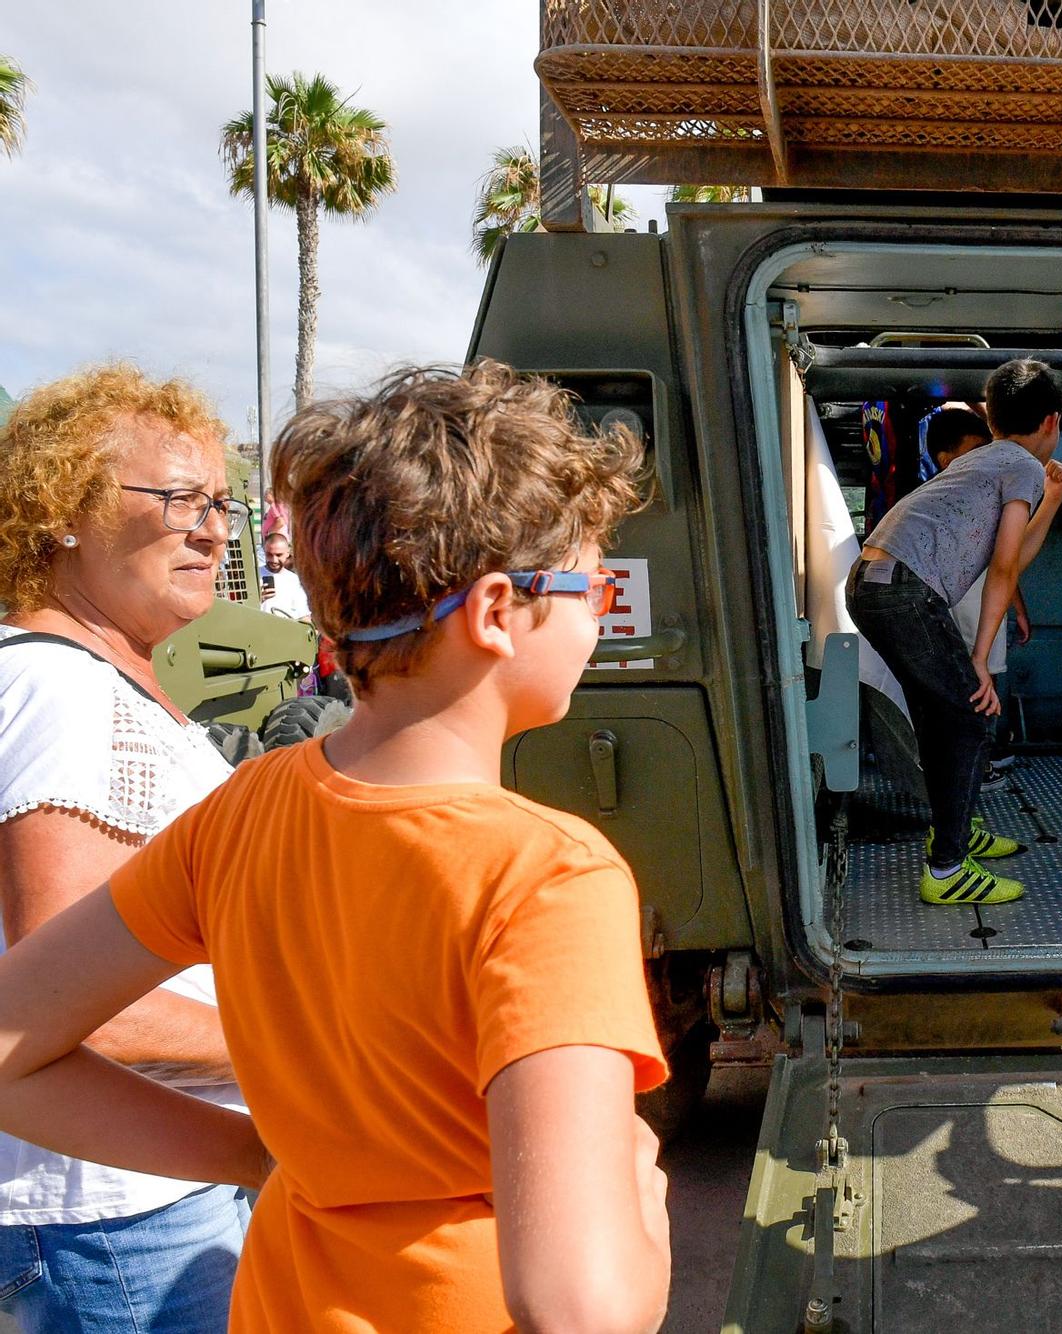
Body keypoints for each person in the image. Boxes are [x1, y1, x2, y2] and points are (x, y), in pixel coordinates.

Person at [0, 362, 672, 1332]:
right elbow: (578, 1305)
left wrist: (253, 1153)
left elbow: (13, 1044)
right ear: (493, 611)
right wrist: (641, 1200)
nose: (600, 614)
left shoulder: (243, 811)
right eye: (592, 584)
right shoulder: (551, 875)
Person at [0, 365, 251, 1334]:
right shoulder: (61, 693)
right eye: (179, 497)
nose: (214, 528)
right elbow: (61, 996)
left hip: (126, 1192)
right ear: (64, 510)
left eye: (221, 501)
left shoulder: (80, 682)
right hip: (105, 1213)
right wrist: (298, 1047)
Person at [847, 360, 1062, 906]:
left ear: (992, 419)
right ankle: (947, 868)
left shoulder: (996, 460)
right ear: (1052, 421)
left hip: (873, 583)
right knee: (971, 713)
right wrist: (978, 657)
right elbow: (1001, 570)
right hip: (903, 590)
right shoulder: (1017, 463)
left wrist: (1055, 498)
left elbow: (1011, 559)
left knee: (941, 714)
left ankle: (956, 831)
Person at [926, 407, 1062, 790]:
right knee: (964, 693)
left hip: (985, 610)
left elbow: (1005, 558)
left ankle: (980, 763)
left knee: (986, 689)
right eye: (973, 452)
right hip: (957, 615)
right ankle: (967, 774)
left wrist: (1016, 605)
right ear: (946, 460)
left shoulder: (985, 496)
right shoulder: (939, 502)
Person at [258, 530, 312, 621]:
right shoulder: (255, 575)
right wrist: (257, 599)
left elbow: (303, 615)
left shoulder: (294, 580)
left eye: (279, 555)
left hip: (287, 631)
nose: (274, 560)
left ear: (288, 553)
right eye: (269, 554)